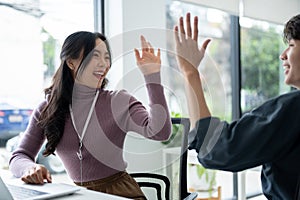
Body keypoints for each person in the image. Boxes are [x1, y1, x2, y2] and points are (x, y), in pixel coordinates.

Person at [9, 31, 172, 200]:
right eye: (95, 56)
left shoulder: (119, 101)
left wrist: (152, 77)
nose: (104, 64)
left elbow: (160, 132)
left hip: (121, 194)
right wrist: (29, 168)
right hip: (79, 195)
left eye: (107, 57)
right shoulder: (48, 109)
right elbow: (20, 155)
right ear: (71, 62)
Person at [174, 12, 300, 199]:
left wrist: (190, 73)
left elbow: (218, 149)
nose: (283, 55)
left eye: (291, 45)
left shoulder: (294, 109)